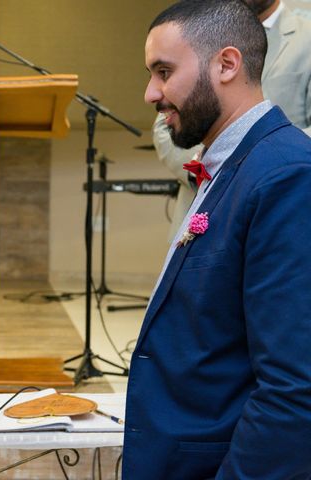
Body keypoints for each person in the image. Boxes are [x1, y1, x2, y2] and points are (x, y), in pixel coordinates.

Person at [123, 1, 311, 478]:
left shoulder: (287, 176)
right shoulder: (231, 164)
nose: (151, 92)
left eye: (164, 72)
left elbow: (294, 389)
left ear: (227, 64)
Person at [153, 0, 311, 239]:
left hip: (283, 212)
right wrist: (208, 165)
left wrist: (254, 165)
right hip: (199, 210)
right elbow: (164, 123)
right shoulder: (197, 31)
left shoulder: (306, 36)